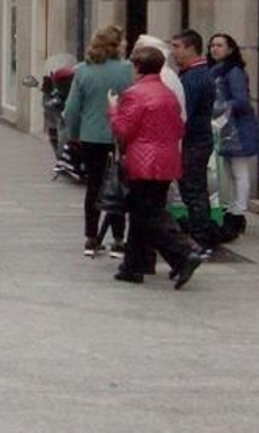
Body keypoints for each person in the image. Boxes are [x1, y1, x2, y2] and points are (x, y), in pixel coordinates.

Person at [109, 46, 201, 288]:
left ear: (138, 67)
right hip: (167, 159)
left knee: (145, 214)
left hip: (143, 161)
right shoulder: (168, 94)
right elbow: (179, 128)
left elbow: (123, 130)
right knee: (146, 211)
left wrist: (113, 109)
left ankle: (183, 252)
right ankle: (133, 266)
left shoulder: (134, 94)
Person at [64, 25, 134, 258]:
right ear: (116, 44)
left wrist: (73, 134)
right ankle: (118, 238)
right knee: (118, 186)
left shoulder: (83, 71)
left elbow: (72, 109)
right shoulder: (128, 70)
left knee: (94, 186)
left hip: (91, 136)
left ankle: (91, 237)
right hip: (120, 136)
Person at [209, 33, 259, 243]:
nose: (215, 48)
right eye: (212, 45)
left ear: (230, 49)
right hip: (226, 127)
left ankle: (238, 213)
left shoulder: (234, 71)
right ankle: (232, 209)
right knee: (230, 171)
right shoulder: (216, 70)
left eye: (220, 45)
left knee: (239, 171)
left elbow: (241, 100)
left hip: (238, 128)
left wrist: (219, 107)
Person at [170, 30, 218, 247]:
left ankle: (200, 235)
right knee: (194, 188)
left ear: (190, 48)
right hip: (197, 140)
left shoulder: (194, 77)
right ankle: (201, 229)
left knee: (193, 189)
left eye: (177, 47)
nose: (173, 52)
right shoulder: (193, 73)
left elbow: (184, 113)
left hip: (194, 142)